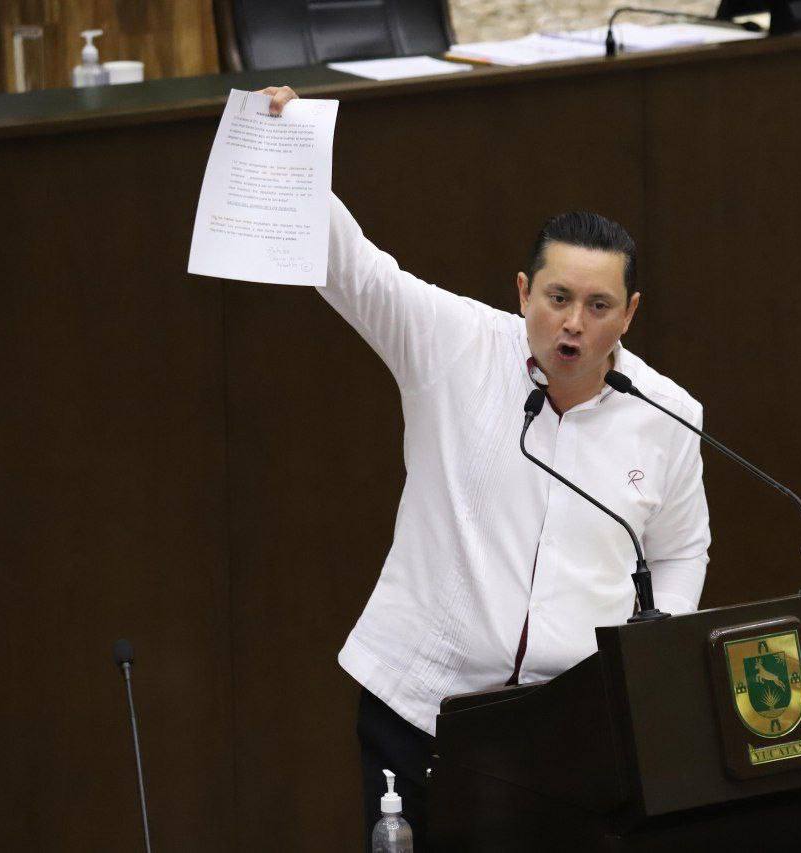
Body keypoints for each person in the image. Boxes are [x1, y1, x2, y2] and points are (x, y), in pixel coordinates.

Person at [259, 86, 711, 842]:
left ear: (630, 313)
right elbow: (356, 273)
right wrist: (289, 147)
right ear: (524, 291)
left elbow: (679, 549)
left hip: (571, 726)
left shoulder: (668, 414)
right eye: (557, 297)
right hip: (422, 710)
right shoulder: (455, 344)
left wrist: (651, 655)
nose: (573, 324)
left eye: (599, 306)